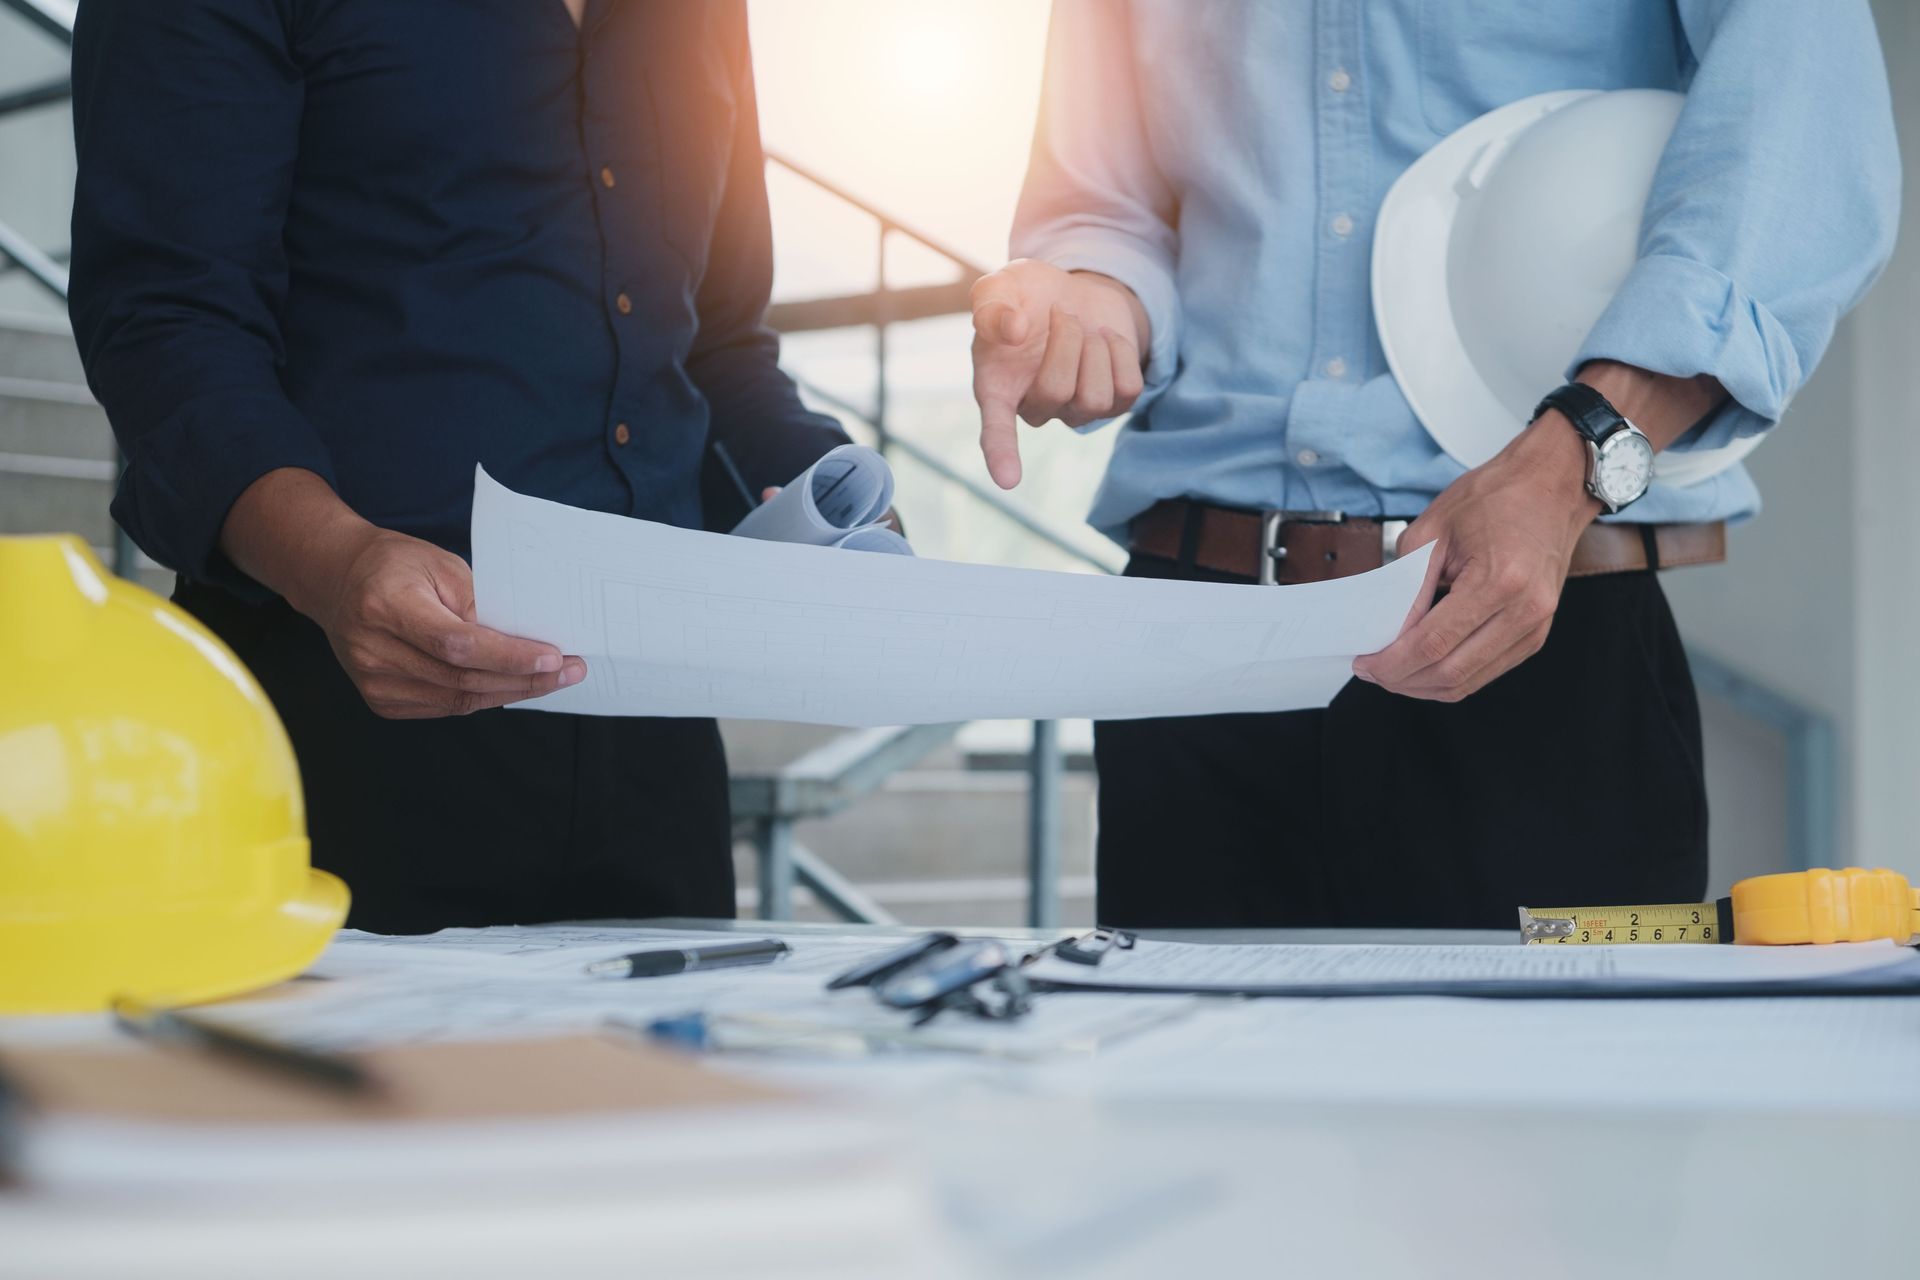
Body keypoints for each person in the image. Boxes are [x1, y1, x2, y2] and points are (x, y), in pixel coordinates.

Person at [970, 0, 1899, 929]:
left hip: (1532, 638)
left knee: (1538, 1079)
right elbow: (1105, 209)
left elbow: (1803, 135)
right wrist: (1085, 301)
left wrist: (1572, 453)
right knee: (1184, 1075)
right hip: (1188, 650)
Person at [68, 0, 854, 933]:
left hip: (656, 748)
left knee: (670, 1079)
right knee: (323, 1084)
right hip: (339, 712)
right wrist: (337, 562)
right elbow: (167, 322)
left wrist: (834, 497)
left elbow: (720, 346)